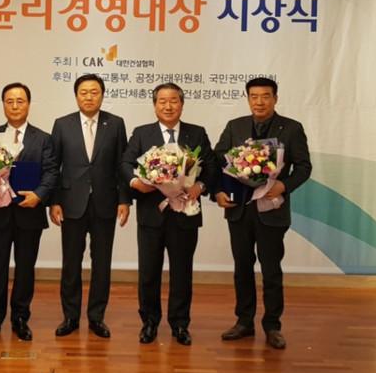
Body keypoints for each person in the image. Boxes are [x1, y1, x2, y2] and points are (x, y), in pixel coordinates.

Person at [214, 77, 312, 350]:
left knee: (271, 270)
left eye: (265, 96)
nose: (259, 102)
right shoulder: (235, 126)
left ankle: (272, 325)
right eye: (254, 96)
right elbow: (218, 160)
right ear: (248, 99)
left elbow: (304, 167)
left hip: (271, 209)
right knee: (242, 267)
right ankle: (244, 321)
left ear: (275, 98)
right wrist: (219, 191)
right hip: (239, 210)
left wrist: (284, 185)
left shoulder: (291, 128)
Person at [121, 83, 217, 346]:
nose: (168, 106)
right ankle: (149, 322)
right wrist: (135, 183)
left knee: (182, 272)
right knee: (148, 272)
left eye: (173, 100)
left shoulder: (197, 133)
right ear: (154, 105)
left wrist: (200, 186)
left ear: (182, 104)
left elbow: (210, 167)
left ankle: (180, 324)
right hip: (151, 214)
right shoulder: (142, 133)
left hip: (185, 214)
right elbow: (126, 163)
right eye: (162, 101)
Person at [49, 74, 130, 339]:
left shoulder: (115, 124)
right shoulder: (62, 124)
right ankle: (70, 317)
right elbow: (54, 166)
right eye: (83, 92)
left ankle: (96, 317)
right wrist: (54, 201)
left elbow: (122, 165)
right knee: (71, 263)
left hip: (105, 203)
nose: (89, 97)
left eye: (94, 92)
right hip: (71, 203)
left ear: (102, 95)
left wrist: (124, 200)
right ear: (76, 96)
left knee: (102, 263)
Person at [0, 83, 58, 342]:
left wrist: (39, 195)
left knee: (25, 268)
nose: (14, 106)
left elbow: (51, 172)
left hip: (29, 213)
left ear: (28, 104)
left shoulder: (43, 138)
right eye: (9, 101)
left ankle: (20, 318)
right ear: (3, 104)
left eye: (20, 101)